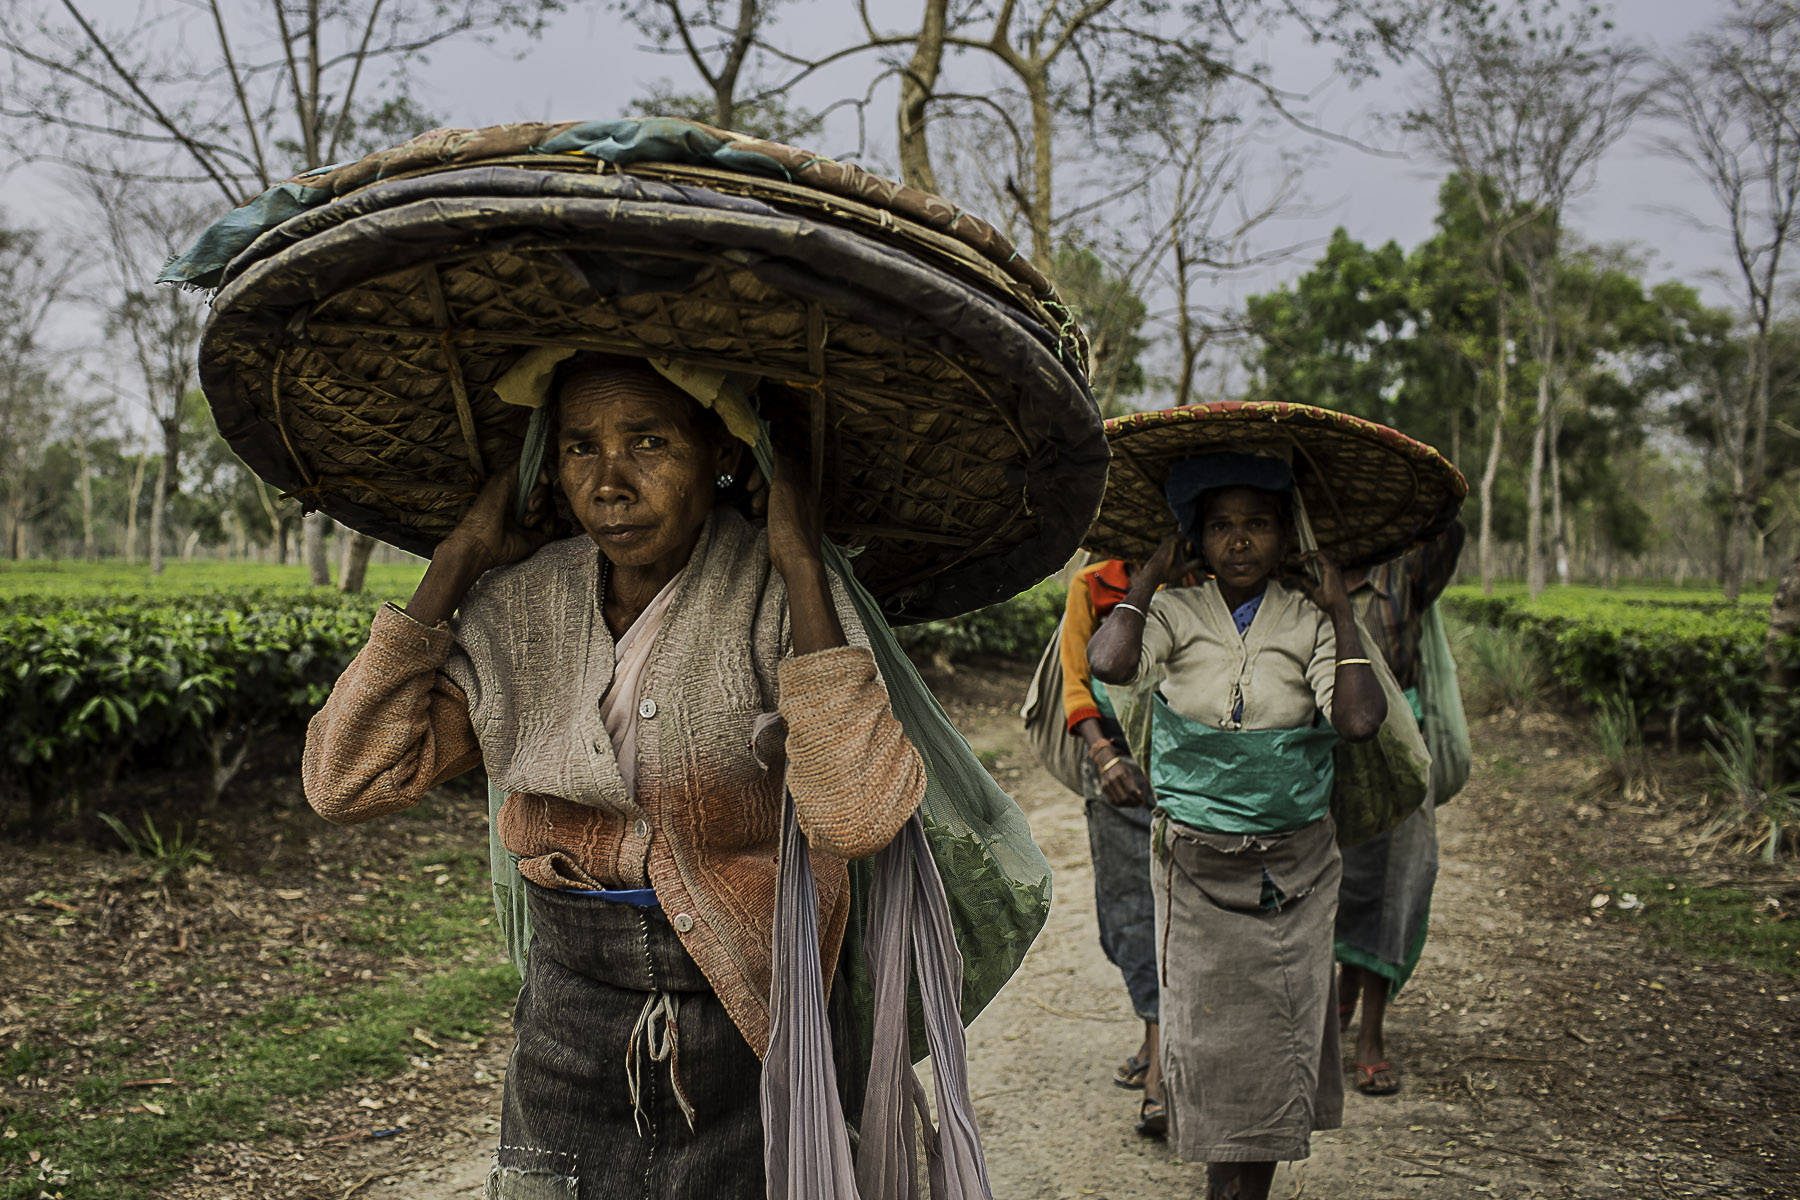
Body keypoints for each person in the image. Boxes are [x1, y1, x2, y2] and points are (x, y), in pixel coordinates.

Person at [301, 354, 926, 1199]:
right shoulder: (522, 607)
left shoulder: (774, 594)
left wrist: (802, 564)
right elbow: (347, 780)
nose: (611, 482)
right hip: (570, 1013)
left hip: (752, 1004)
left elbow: (854, 818)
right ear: (551, 471)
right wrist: (458, 558)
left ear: (721, 456)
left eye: (650, 442)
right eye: (580, 448)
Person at [1087, 451, 1387, 1200]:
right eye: (1221, 525)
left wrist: (1344, 611)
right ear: (1197, 539)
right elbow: (1112, 665)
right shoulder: (1177, 614)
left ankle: (1245, 1187)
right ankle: (1229, 1184)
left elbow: (1354, 720)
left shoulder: (1312, 622)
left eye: (1257, 524)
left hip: (1295, 872)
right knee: (1207, 1038)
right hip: (1196, 869)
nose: (1240, 540)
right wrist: (1147, 580)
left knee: (1277, 1039)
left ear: (1287, 536)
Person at [1335, 520, 1466, 1096]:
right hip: (1325, 746)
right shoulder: (1301, 572)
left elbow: (1450, 532)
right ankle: (1336, 997)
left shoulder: (1403, 574)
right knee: (1327, 886)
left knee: (1394, 886)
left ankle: (1371, 1034)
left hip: (1397, 746)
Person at [1058, 558, 1164, 1135]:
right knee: (1127, 911)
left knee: (1179, 909)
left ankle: (1160, 1061)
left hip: (1185, 762)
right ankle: (1157, 1036)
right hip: (1116, 760)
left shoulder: (1201, 577)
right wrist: (1104, 756)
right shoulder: (1092, 583)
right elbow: (1077, 679)